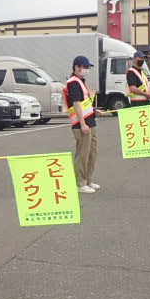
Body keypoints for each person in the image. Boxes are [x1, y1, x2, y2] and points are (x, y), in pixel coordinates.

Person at [64, 55, 99, 194]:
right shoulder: (73, 82)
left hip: (90, 121)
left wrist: (95, 110)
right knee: (83, 154)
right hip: (82, 124)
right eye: (85, 67)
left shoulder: (80, 81)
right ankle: (80, 183)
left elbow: (84, 103)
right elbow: (76, 103)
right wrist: (83, 123)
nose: (87, 70)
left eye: (88, 67)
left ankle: (88, 180)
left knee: (92, 153)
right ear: (76, 67)